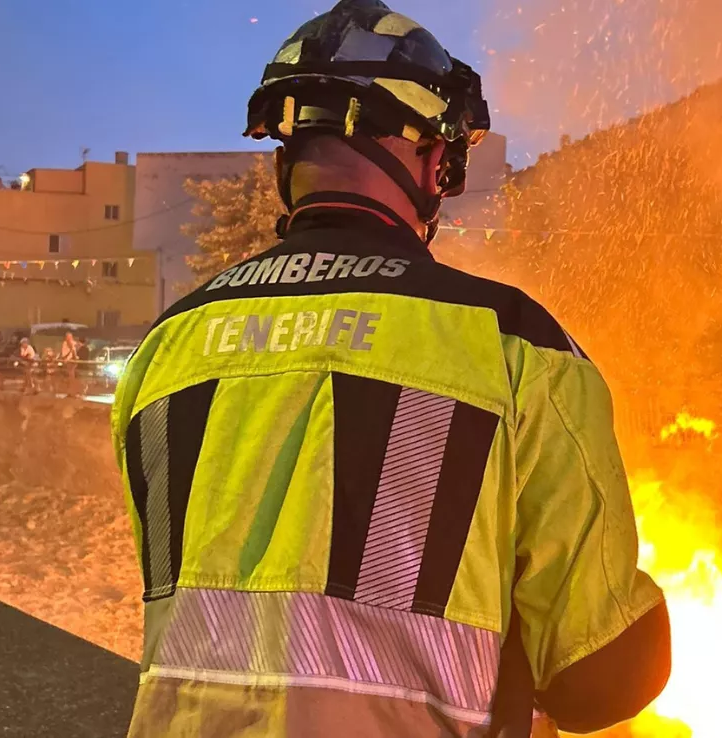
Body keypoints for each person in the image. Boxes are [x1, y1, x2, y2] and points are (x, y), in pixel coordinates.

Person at [111, 3, 670, 736]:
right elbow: (602, 678)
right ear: (438, 162)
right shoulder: (515, 346)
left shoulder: (169, 342)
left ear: (285, 158)